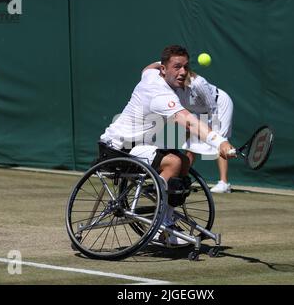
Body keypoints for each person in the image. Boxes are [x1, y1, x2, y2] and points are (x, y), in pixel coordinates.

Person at [100, 45, 236, 245]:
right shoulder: (160, 93)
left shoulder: (151, 74)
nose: (182, 72)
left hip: (135, 147)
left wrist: (165, 62)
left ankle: (167, 219)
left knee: (183, 161)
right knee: (173, 163)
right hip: (116, 148)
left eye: (185, 67)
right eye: (176, 67)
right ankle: (159, 226)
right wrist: (219, 141)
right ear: (164, 70)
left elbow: (148, 67)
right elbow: (186, 119)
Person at [143, 64, 235, 193]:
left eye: (183, 70)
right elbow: (147, 71)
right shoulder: (172, 85)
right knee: (191, 144)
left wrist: (210, 130)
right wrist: (160, 63)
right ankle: (181, 177)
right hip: (198, 110)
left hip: (218, 106)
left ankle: (224, 183)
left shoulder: (198, 83)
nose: (180, 73)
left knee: (219, 140)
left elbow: (212, 107)